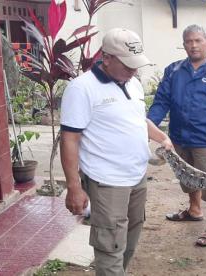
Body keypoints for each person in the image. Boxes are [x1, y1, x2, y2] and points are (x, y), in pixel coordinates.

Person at [60, 28, 173, 275]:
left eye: (136, 65)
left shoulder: (132, 83)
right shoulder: (82, 88)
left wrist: (161, 136)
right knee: (110, 245)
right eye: (127, 65)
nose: (133, 70)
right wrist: (74, 187)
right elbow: (70, 139)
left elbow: (138, 119)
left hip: (137, 176)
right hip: (107, 182)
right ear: (106, 58)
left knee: (131, 238)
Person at [147, 24, 206, 246]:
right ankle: (194, 210)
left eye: (198, 40)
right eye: (188, 41)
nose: (193, 45)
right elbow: (161, 101)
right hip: (178, 137)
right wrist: (146, 126)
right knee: (187, 178)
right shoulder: (174, 70)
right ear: (184, 44)